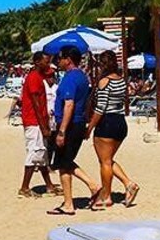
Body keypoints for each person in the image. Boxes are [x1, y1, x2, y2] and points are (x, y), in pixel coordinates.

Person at [47, 46, 101, 216]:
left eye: (60, 58)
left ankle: (71, 202)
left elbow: (69, 104)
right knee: (65, 161)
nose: (58, 61)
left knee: (63, 164)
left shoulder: (71, 78)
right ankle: (89, 188)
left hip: (70, 124)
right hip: (77, 123)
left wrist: (62, 131)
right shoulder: (82, 78)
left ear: (68, 59)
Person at [85, 50, 140, 209]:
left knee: (104, 162)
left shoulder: (104, 82)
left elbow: (100, 108)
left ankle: (106, 196)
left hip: (107, 122)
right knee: (108, 160)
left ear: (102, 64)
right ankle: (128, 184)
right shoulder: (122, 80)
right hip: (120, 122)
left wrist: (90, 128)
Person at [18, 52, 60, 197]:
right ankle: (24, 187)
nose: (47, 64)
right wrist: (43, 126)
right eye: (45, 62)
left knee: (42, 154)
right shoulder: (34, 78)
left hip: (38, 120)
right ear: (37, 62)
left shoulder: (37, 77)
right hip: (34, 121)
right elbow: (36, 104)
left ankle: (48, 185)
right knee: (34, 152)